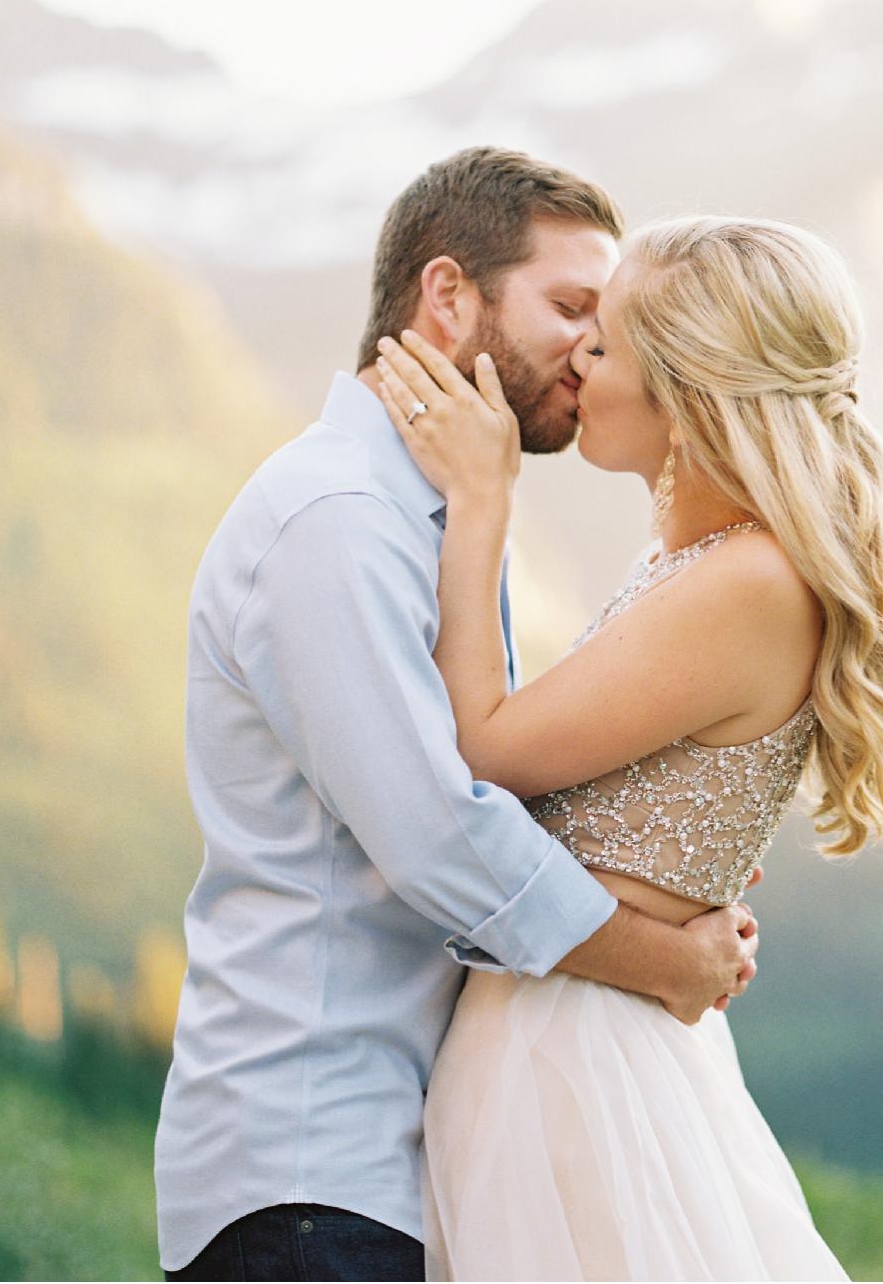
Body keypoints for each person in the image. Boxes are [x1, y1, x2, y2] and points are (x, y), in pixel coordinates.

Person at [154, 150, 767, 1282]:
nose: (591, 349)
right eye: (569, 308)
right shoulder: (335, 521)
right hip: (310, 1169)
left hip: (392, 1164)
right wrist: (663, 961)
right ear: (448, 298)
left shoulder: (430, 515)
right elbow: (444, 837)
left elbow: (501, 794)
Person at [371, 213, 883, 1281]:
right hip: (568, 1036)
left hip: (578, 1064)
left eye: (605, 345)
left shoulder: (744, 584)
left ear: (685, 393)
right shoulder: (711, 563)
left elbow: (488, 754)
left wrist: (480, 498)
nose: (577, 361)